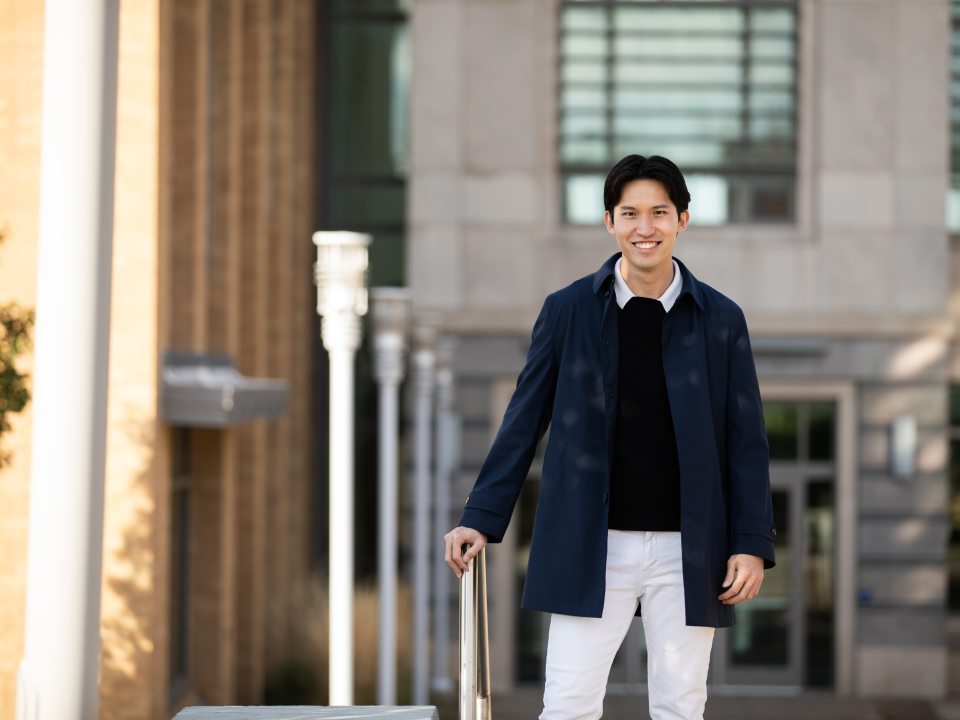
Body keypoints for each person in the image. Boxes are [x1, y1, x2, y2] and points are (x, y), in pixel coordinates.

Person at [443, 154, 776, 720]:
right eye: (630, 214)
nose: (645, 228)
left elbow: (744, 441)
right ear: (610, 222)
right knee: (569, 704)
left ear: (683, 220)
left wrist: (750, 542)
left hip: (688, 550)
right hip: (591, 542)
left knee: (680, 705)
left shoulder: (721, 319)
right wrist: (481, 514)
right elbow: (524, 419)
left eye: (659, 213)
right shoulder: (567, 311)